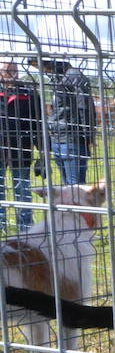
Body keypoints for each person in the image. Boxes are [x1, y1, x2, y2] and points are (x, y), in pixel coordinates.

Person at [28, 55, 96, 185]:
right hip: (58, 139)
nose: (41, 70)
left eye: (39, 65)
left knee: (75, 187)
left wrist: (88, 135)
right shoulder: (57, 78)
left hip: (72, 139)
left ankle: (77, 206)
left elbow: (84, 107)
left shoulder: (74, 76)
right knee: (67, 186)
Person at [0, 61, 43, 234]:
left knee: (22, 190)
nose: (11, 73)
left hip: (21, 150)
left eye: (14, 70)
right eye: (7, 70)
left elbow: (38, 124)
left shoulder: (29, 93)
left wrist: (42, 152)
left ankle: (25, 226)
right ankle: (1, 224)